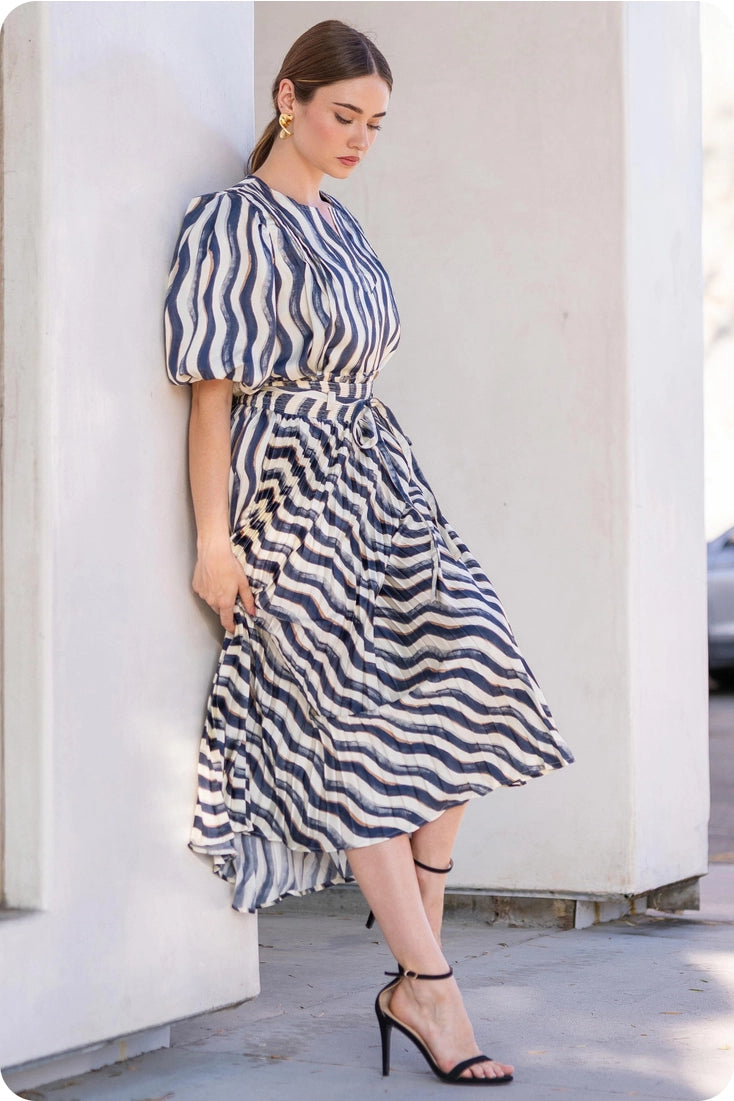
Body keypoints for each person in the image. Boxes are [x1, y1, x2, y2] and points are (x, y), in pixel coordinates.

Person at [164, 18, 574, 1086]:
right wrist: (213, 540)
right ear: (288, 98)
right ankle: (431, 988)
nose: (358, 139)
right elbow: (210, 398)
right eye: (343, 115)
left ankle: (412, 953)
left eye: (375, 124)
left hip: (383, 485)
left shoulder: (340, 223)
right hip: (289, 494)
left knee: (474, 672)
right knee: (350, 733)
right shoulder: (229, 221)